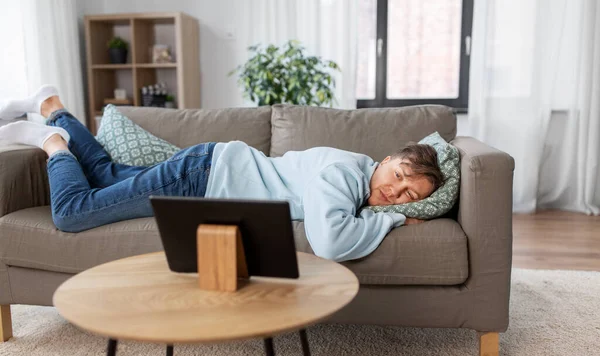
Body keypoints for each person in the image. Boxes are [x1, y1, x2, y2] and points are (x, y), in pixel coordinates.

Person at [0, 86, 444, 262]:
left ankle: (52, 108)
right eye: (400, 174)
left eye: (409, 195)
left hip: (206, 171)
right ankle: (53, 143)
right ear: (386, 159)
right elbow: (330, 242)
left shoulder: (359, 181)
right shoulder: (348, 174)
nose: (396, 192)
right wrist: (394, 219)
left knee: (104, 175)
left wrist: (386, 212)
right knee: (74, 212)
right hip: (200, 180)